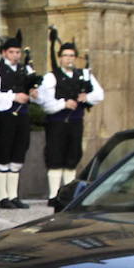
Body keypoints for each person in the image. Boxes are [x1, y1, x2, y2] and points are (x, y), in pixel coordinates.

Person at [39, 42, 104, 208]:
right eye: (66, 55)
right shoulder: (51, 77)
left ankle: (68, 194)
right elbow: (45, 102)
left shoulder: (84, 74)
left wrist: (86, 98)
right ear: (60, 58)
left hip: (75, 122)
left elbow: (99, 94)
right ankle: (53, 195)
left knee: (72, 156)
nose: (69, 59)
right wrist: (63, 104)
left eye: (71, 56)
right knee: (55, 157)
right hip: (57, 123)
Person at [0, 32, 38, 209]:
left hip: (21, 116)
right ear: (4, 53)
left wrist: (33, 94)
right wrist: (13, 96)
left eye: (18, 52)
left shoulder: (26, 70)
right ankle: (2, 197)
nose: (16, 55)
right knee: (3, 153)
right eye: (12, 52)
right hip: (3, 116)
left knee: (19, 152)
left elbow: (36, 93)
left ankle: (13, 195)